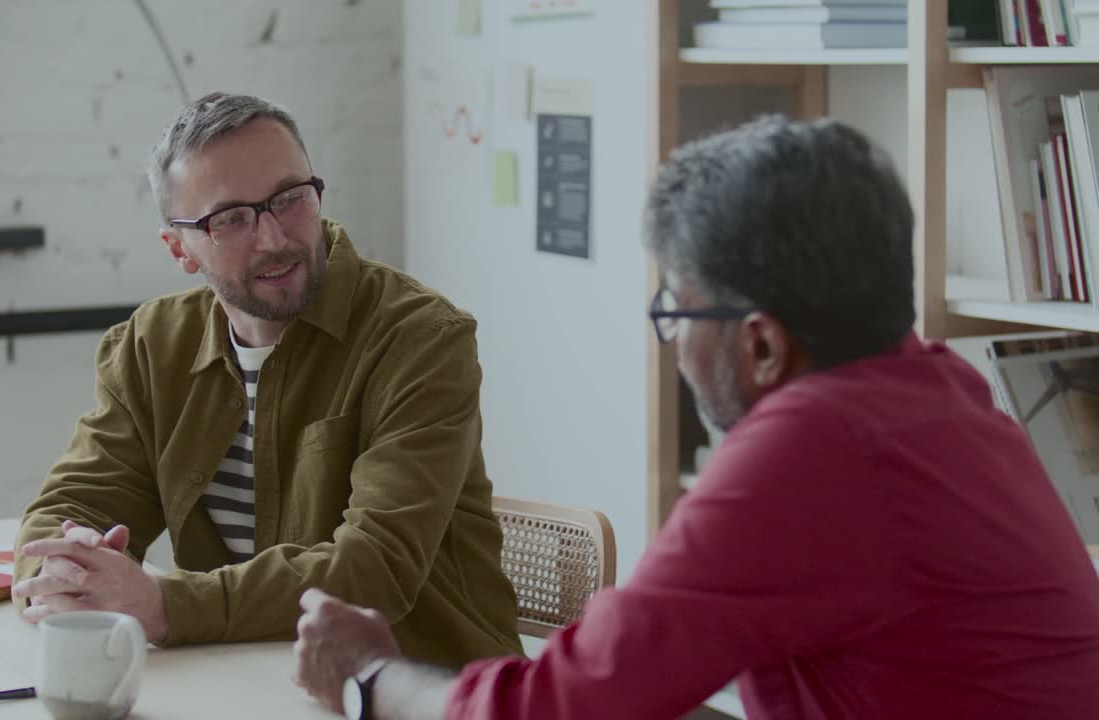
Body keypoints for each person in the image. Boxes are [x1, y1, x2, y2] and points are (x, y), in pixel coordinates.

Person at [291, 116, 1099, 719]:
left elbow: (557, 708)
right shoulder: (937, 388)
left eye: (676, 308)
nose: (673, 344)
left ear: (761, 344)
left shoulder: (817, 448)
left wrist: (370, 672)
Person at [10, 92, 522, 668]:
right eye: (230, 219)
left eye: (290, 199)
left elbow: (375, 569)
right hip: (246, 682)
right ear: (180, 248)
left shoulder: (419, 338)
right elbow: (73, 503)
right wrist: (63, 570)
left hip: (425, 689)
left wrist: (165, 605)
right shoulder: (150, 348)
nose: (275, 238)